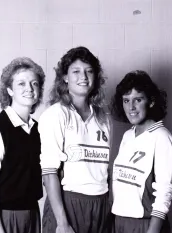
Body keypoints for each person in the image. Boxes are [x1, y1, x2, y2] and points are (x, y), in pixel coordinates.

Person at [38, 46, 112, 233]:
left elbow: (104, 170)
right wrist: (62, 223)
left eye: (89, 71)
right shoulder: (56, 114)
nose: (83, 77)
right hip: (69, 203)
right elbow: (48, 173)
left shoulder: (104, 118)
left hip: (100, 204)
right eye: (76, 71)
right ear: (65, 77)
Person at [0, 57, 46, 233]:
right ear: (9, 90)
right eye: (21, 84)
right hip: (2, 217)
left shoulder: (40, 130)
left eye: (34, 83)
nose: (29, 89)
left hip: (31, 215)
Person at [110, 70, 172, 233]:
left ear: (151, 101)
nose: (131, 107)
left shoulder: (161, 137)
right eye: (126, 100)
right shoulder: (128, 135)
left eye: (138, 100)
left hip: (145, 225)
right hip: (120, 222)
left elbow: (164, 193)